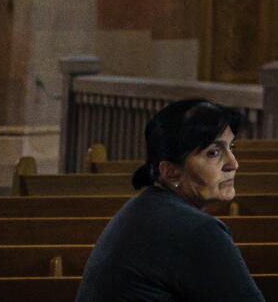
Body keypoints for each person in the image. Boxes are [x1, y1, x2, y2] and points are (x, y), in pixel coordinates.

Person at [74, 98, 265, 302]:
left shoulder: (146, 206)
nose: (233, 164)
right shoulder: (197, 231)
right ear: (171, 173)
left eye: (231, 148)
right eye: (214, 153)